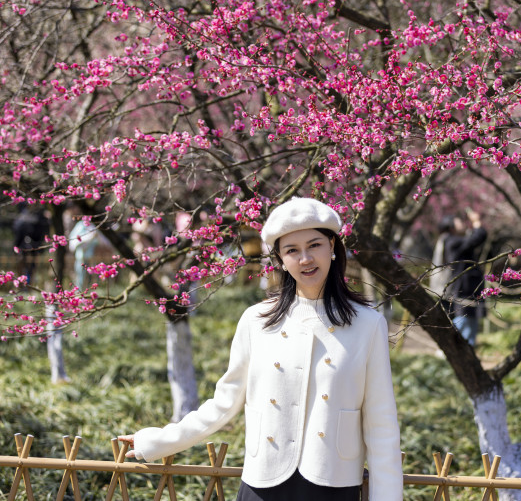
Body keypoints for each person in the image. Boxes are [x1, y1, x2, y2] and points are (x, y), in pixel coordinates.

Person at [119, 197, 403, 501]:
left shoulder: (368, 324)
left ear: (333, 246)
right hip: (264, 483)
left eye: (315, 245)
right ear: (280, 259)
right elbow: (222, 404)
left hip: (332, 483)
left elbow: (381, 426)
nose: (305, 258)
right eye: (292, 250)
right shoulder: (256, 320)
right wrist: (158, 441)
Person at [431, 209, 487, 346]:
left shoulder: (449, 241)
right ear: (450, 226)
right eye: (459, 221)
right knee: (465, 321)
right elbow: (477, 237)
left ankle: (455, 346)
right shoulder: (452, 241)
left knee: (467, 321)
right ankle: (451, 346)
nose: (463, 222)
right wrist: (476, 222)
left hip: (465, 289)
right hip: (464, 290)